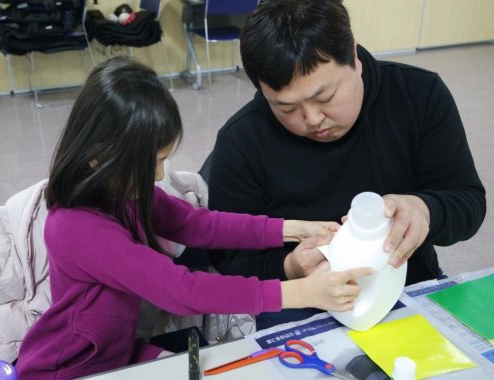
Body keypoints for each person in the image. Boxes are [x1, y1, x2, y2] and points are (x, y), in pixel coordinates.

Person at [15, 56, 372, 379]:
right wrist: (302, 291)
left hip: (116, 354)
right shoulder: (78, 228)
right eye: (150, 164)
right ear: (97, 159)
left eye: (161, 162)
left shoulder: (119, 192)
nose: (157, 178)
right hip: (69, 370)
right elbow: (181, 290)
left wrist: (291, 229)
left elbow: (199, 224)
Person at [207, 0, 486, 330]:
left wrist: (425, 209)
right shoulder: (242, 140)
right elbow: (228, 258)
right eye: (286, 109)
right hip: (301, 301)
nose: (312, 119)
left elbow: (468, 203)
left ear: (353, 56)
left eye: (325, 98)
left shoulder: (418, 96)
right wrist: (290, 266)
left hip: (406, 286)